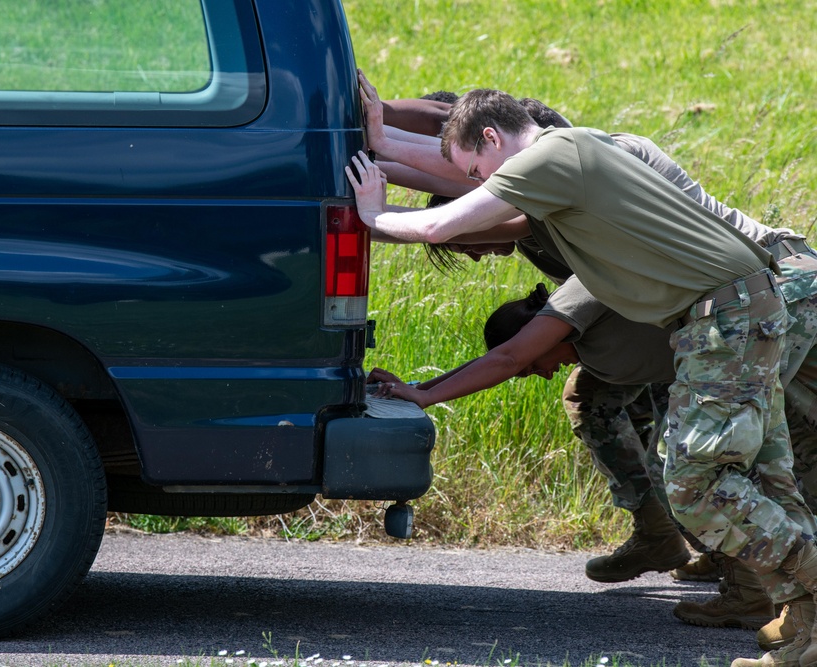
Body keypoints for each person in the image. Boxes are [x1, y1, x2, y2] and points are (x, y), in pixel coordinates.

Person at [346, 88, 817, 667]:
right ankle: (805, 639)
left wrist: (373, 214)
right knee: (768, 476)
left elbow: (444, 222)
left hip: (732, 311)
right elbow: (455, 176)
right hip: (733, 308)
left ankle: (788, 593)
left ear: (493, 139)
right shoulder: (570, 164)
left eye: (476, 170)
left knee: (696, 483)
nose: (476, 184)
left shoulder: (552, 159)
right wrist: (380, 139)